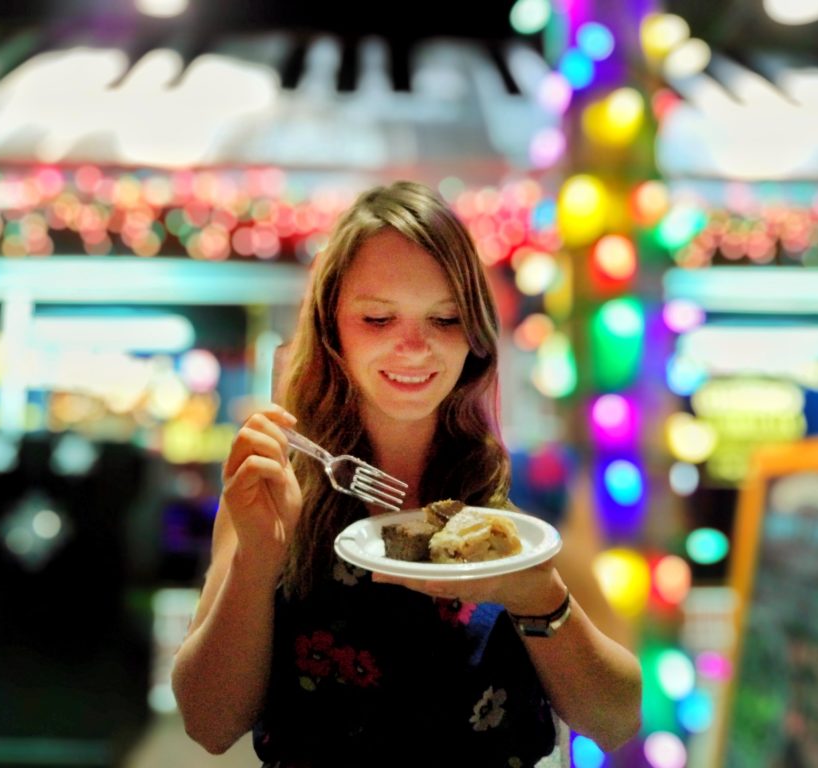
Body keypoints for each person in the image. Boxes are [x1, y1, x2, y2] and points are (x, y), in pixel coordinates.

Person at [171, 181, 642, 767]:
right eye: (377, 318)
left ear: (474, 335)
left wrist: (536, 595)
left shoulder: (525, 492)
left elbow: (618, 717)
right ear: (331, 326)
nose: (414, 348)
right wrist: (257, 559)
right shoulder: (280, 486)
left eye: (444, 319)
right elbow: (209, 724)